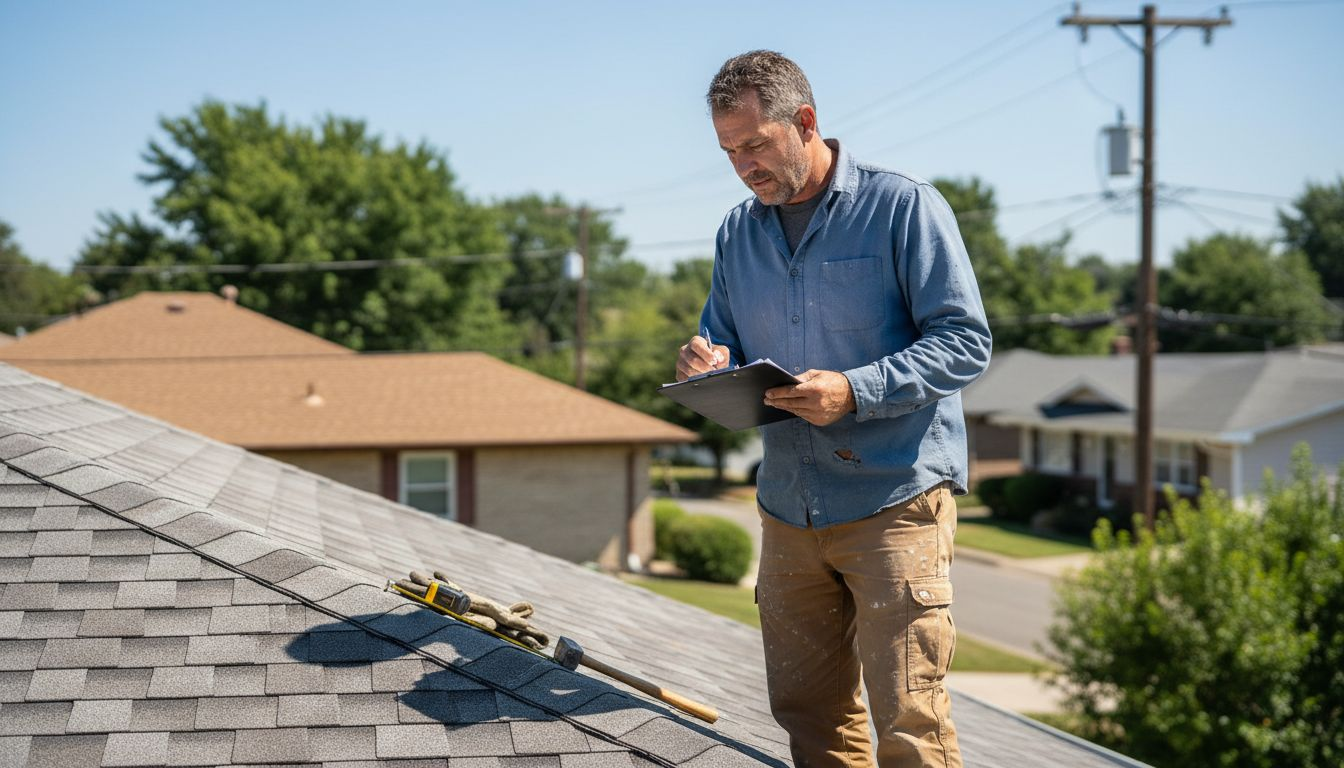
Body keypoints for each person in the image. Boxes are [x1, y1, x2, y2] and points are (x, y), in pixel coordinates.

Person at [675, 51, 991, 767]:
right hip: (788, 507)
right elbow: (721, 340)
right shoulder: (737, 232)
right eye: (729, 152)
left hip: (895, 500)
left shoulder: (902, 207)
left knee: (911, 724)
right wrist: (705, 363)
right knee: (810, 717)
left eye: (755, 144)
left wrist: (855, 390)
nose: (743, 167)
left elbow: (965, 342)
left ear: (806, 122)